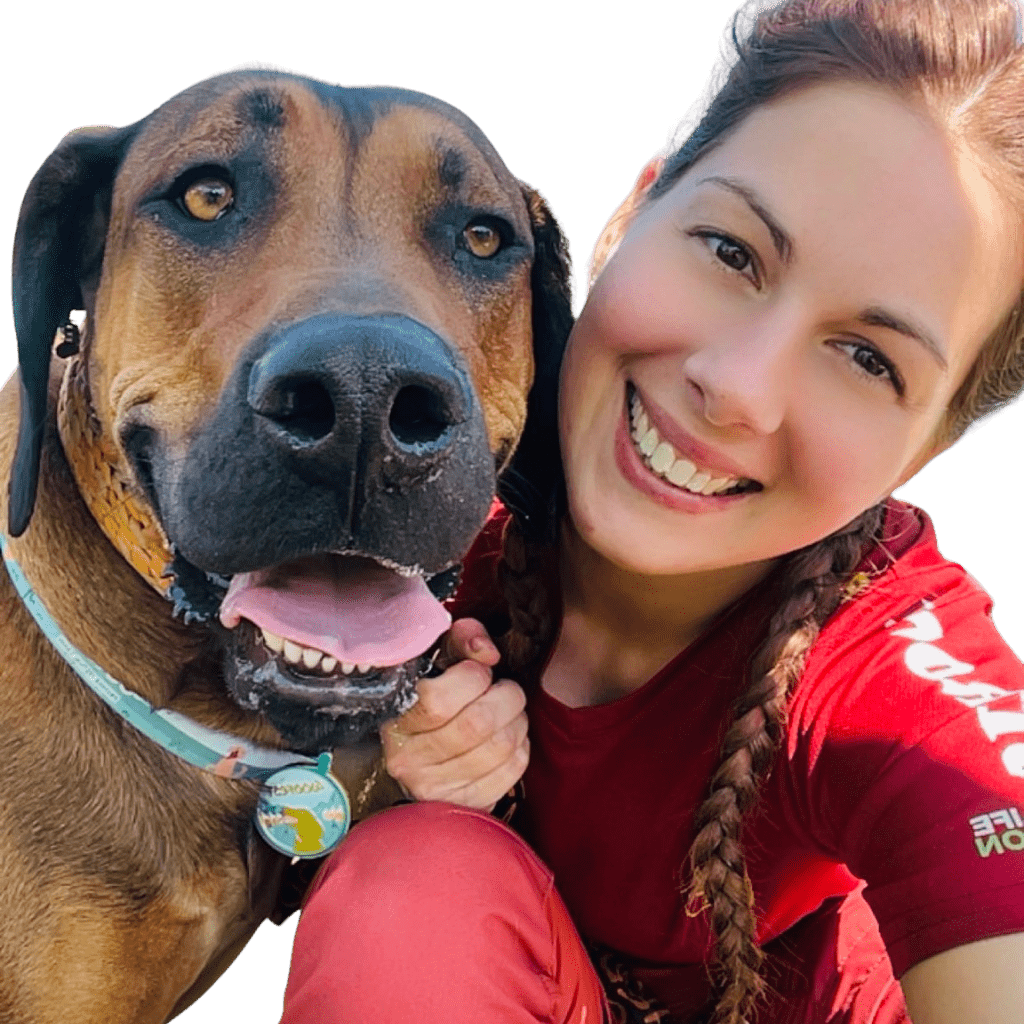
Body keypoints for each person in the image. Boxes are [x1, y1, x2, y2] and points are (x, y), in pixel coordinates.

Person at [277, 1, 1024, 1021]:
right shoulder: (432, 444)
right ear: (632, 214)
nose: (738, 387)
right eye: (729, 252)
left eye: (867, 358)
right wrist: (369, 772)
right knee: (415, 881)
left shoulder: (894, 675)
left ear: (927, 445)